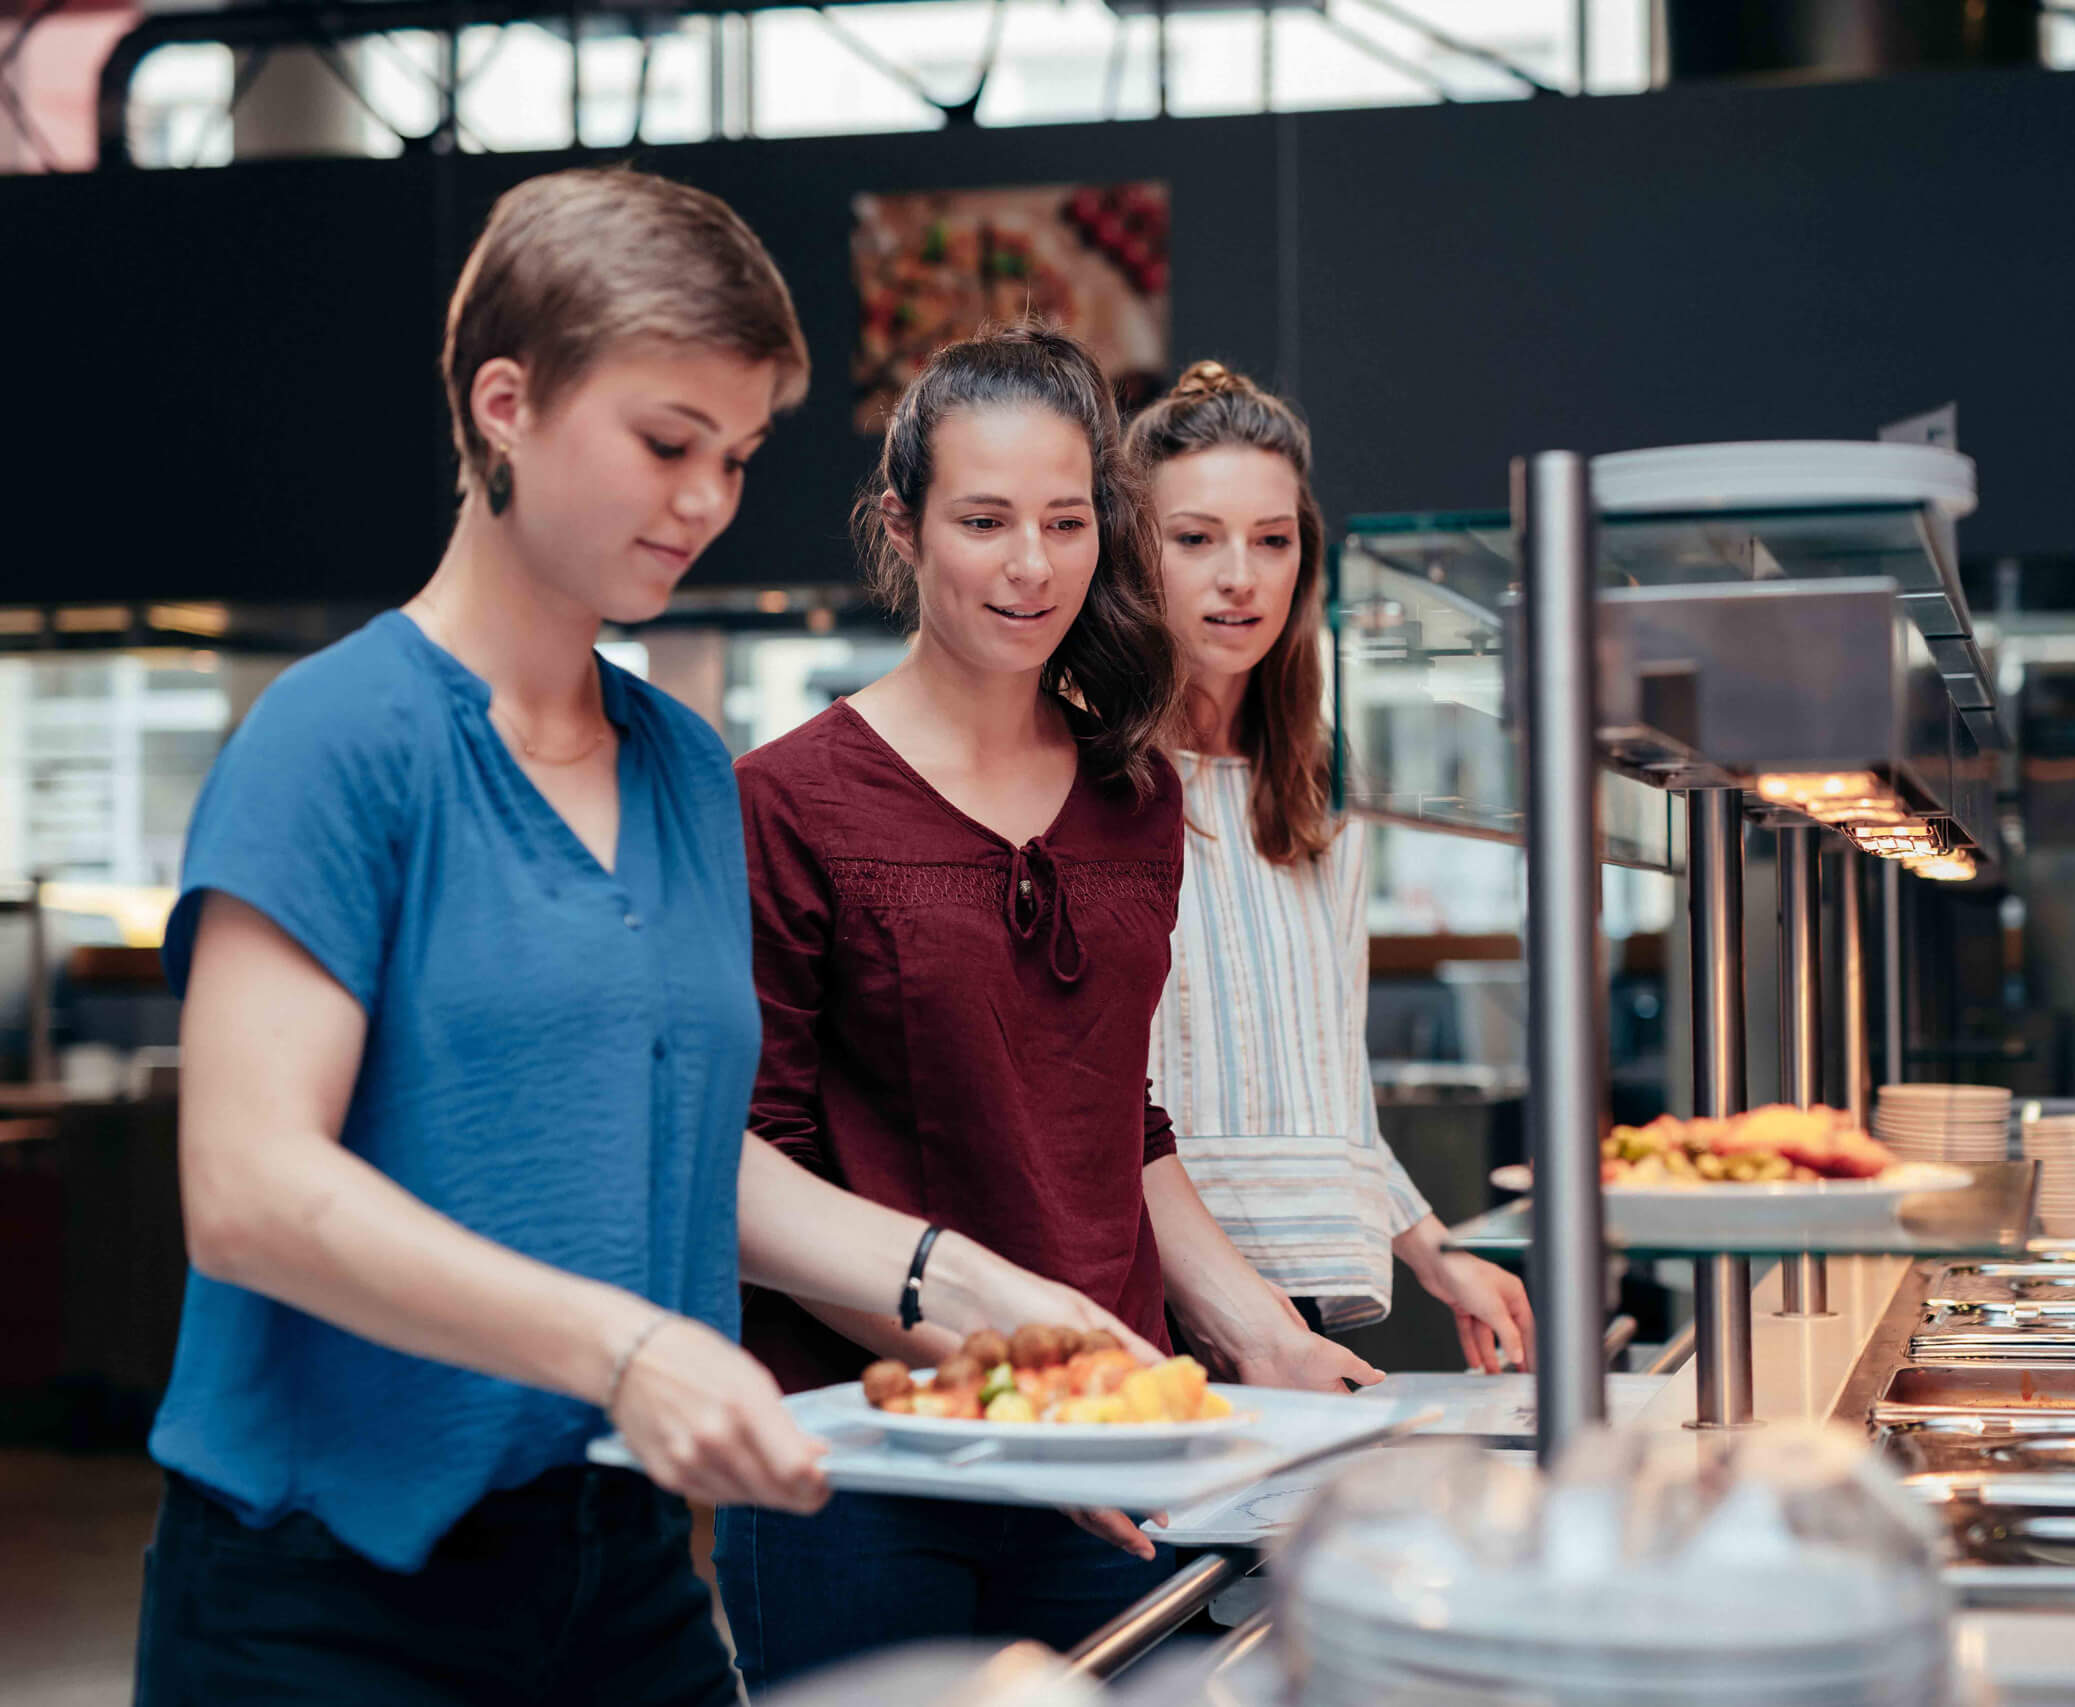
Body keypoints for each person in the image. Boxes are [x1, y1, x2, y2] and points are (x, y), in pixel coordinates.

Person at [133, 171, 1147, 1707]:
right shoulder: (336, 741)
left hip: (617, 1562)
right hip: (327, 1588)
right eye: (667, 443)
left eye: (734, 457)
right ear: (505, 405)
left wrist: (989, 1300)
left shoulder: (679, 764)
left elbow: (698, 1155)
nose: (706, 502)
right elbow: (249, 1187)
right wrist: (621, 1347)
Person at [716, 324, 1380, 1690]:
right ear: (903, 529)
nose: (1032, 565)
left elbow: (1115, 1118)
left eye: (1067, 521)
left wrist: (1258, 1331)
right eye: (985, 519)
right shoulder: (786, 800)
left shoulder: (1135, 798)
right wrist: (1031, 1398)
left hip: (1103, 1459)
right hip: (864, 1461)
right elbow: (758, 1178)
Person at [1130, 361, 1536, 1373]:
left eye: (1272, 541)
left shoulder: (1317, 792)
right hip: (1142, 1300)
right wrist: (1232, 1310)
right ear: (1134, 557)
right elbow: (1093, 1098)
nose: (1241, 575)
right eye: (1195, 540)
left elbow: (1327, 1090)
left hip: (1296, 1300)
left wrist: (1441, 1254)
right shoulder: (1086, 782)